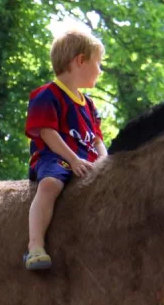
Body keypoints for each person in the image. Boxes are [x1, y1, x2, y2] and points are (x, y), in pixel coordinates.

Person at [24, 22, 107, 270]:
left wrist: (105, 160)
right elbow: (47, 133)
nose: (100, 70)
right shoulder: (46, 95)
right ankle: (35, 245)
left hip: (86, 159)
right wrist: (72, 160)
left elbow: (97, 139)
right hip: (56, 157)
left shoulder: (89, 105)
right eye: (98, 63)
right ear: (80, 61)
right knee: (50, 184)